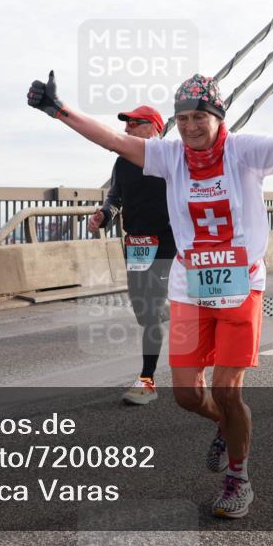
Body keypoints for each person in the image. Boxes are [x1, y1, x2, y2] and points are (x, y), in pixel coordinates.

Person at [28, 68, 273, 518]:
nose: (190, 127)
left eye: (199, 116)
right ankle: (229, 425)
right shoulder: (170, 157)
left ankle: (238, 478)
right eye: (182, 118)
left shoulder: (243, 150)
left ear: (218, 116)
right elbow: (112, 140)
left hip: (241, 285)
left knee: (226, 388)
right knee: (186, 395)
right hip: (191, 284)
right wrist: (58, 110)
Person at [86, 105, 175, 405]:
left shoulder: (171, 158)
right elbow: (115, 197)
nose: (127, 130)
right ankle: (169, 309)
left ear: (154, 129)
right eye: (126, 125)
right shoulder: (123, 162)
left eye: (134, 124)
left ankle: (147, 380)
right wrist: (103, 215)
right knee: (143, 311)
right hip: (136, 244)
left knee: (149, 310)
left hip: (167, 243)